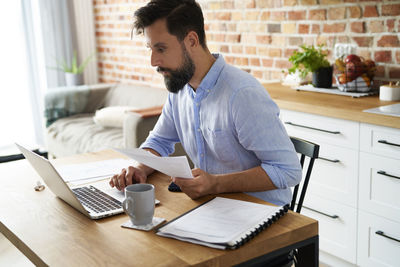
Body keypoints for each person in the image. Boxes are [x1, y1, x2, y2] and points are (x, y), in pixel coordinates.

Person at [109, 0, 302, 206]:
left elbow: (288, 170)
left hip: (263, 215)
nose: (153, 61)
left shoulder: (242, 94)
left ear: (191, 40)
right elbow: (159, 142)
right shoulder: (180, 89)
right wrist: (140, 167)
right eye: (150, 49)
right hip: (214, 207)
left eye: (161, 49)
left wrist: (216, 184)